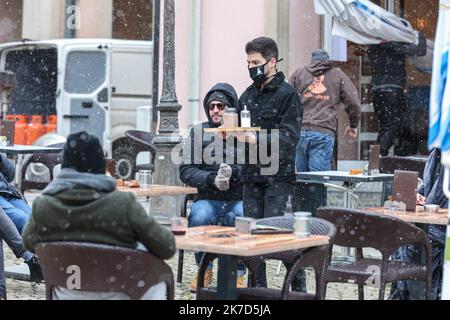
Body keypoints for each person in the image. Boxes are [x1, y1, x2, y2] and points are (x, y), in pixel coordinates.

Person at [22, 131, 176, 300]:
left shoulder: (43, 205)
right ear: (100, 165)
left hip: (68, 292)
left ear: (64, 164)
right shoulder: (123, 204)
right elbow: (166, 247)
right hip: (121, 293)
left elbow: (29, 243)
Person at [236, 37, 302, 288]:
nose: (251, 67)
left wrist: (257, 138)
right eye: (248, 62)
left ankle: (298, 285)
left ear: (272, 62)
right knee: (251, 236)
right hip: (251, 174)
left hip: (278, 175)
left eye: (256, 62)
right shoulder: (247, 96)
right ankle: (257, 289)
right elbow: (241, 137)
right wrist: (230, 135)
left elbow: (289, 138)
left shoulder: (288, 95)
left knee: (273, 233)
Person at [180, 83, 246, 292]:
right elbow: (186, 170)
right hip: (208, 198)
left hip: (238, 198)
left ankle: (239, 273)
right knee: (199, 215)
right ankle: (204, 268)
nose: (216, 110)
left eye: (221, 106)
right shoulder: (199, 132)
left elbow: (255, 169)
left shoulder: (244, 133)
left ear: (231, 108)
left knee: (243, 216)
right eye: (212, 106)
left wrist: (234, 173)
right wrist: (212, 179)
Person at [289, 49, 361, 172]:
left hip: (300, 132)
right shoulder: (337, 75)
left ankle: (304, 191)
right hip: (323, 132)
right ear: (328, 60)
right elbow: (353, 101)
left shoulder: (299, 74)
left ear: (312, 61)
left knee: (301, 180)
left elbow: (286, 100)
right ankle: (315, 190)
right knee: (318, 180)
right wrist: (353, 124)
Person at [389, 148, 447, 300]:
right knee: (400, 236)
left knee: (413, 240)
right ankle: (408, 293)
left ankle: (418, 293)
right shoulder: (435, 155)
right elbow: (428, 189)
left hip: (443, 229)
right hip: (431, 223)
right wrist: (418, 195)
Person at [367, 32, 427, 156]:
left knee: (387, 125)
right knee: (394, 124)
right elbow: (420, 50)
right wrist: (420, 35)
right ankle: (378, 157)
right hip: (392, 90)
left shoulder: (373, 46)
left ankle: (379, 157)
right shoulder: (393, 45)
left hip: (377, 92)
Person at [0, 208, 43, 300]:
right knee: (22, 219)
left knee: (31, 218)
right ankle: (31, 258)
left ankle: (30, 258)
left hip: (12, 194)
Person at [0, 153, 32, 234]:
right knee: (23, 220)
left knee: (35, 218)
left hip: (7, 192)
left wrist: (2, 159)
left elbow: (10, 176)